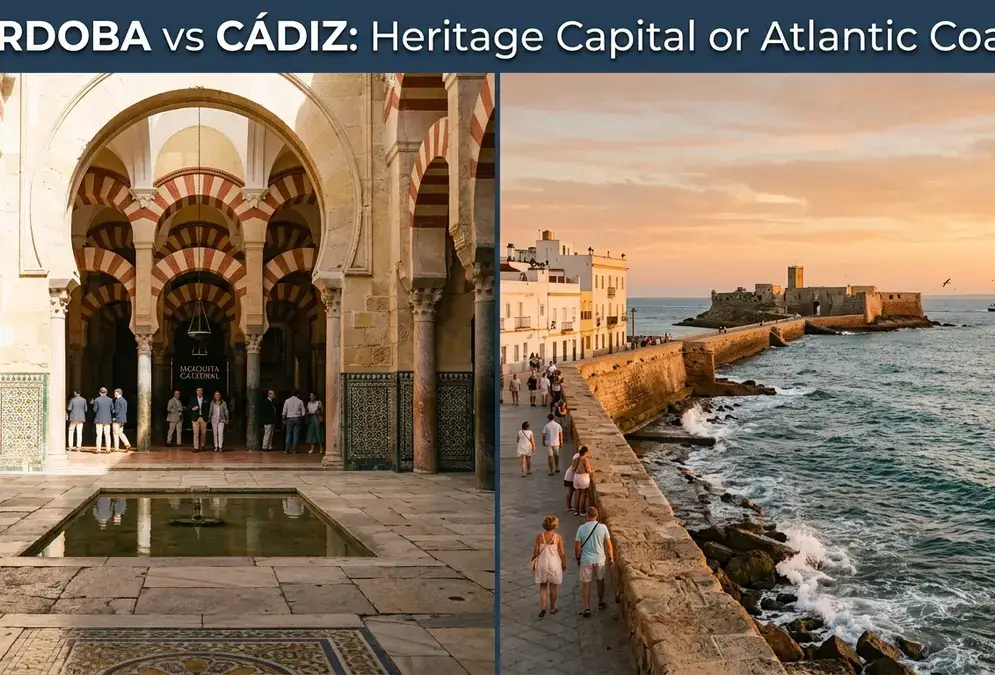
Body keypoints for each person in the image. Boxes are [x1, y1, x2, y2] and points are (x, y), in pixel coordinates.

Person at [575, 506, 614, 617]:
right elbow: (608, 544)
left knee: (586, 584)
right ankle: (600, 602)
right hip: (600, 559)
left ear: (587, 515)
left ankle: (587, 608)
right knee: (600, 580)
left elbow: (577, 547)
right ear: (597, 515)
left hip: (586, 559)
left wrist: (578, 558)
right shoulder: (603, 527)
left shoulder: (581, 528)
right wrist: (611, 557)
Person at [532, 514, 566, 618]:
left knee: (542, 586)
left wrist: (533, 560)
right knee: (553, 587)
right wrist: (564, 563)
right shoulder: (558, 537)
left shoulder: (539, 537)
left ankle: (543, 607)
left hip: (542, 563)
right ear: (555, 526)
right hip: (554, 563)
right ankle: (552, 607)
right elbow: (562, 553)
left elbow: (536, 552)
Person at [571, 446, 599, 515]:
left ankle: (576, 510)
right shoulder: (585, 460)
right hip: (583, 477)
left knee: (577, 493)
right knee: (583, 493)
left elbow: (573, 469)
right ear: (585, 452)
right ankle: (582, 510)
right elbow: (588, 470)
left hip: (576, 477)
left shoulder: (576, 459)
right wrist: (595, 470)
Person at [91, 387, 114, 454]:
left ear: (100, 392)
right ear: (106, 392)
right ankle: (108, 450)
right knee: (107, 435)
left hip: (99, 419)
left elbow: (95, 410)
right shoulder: (110, 400)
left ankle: (98, 450)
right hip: (107, 420)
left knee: (99, 435)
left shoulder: (97, 400)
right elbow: (112, 409)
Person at [282, 389, 306, 454]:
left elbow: (284, 412)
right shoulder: (300, 401)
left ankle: (286, 450)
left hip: (289, 419)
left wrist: (284, 419)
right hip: (297, 419)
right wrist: (301, 416)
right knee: (296, 434)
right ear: (297, 394)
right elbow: (303, 412)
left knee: (288, 434)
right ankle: (295, 450)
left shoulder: (287, 401)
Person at [188, 387, 208, 452]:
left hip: (203, 418)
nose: (199, 392)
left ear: (202, 392)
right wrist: (192, 408)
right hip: (195, 418)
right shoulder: (193, 399)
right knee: (195, 433)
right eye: (198, 390)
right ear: (196, 391)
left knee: (203, 433)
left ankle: (202, 446)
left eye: (201, 390)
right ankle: (196, 447)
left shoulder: (206, 399)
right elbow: (188, 407)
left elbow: (208, 408)